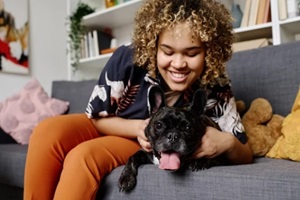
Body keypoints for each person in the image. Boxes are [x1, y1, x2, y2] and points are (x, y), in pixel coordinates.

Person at [24, 0, 253, 199]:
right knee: (47, 130)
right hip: (118, 123)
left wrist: (227, 142)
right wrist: (138, 127)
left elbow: (245, 152)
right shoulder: (127, 57)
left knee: (82, 157)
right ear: (153, 45)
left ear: (209, 51)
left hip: (143, 144)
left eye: (191, 53)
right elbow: (96, 117)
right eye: (167, 51)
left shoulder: (215, 83)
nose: (179, 63)